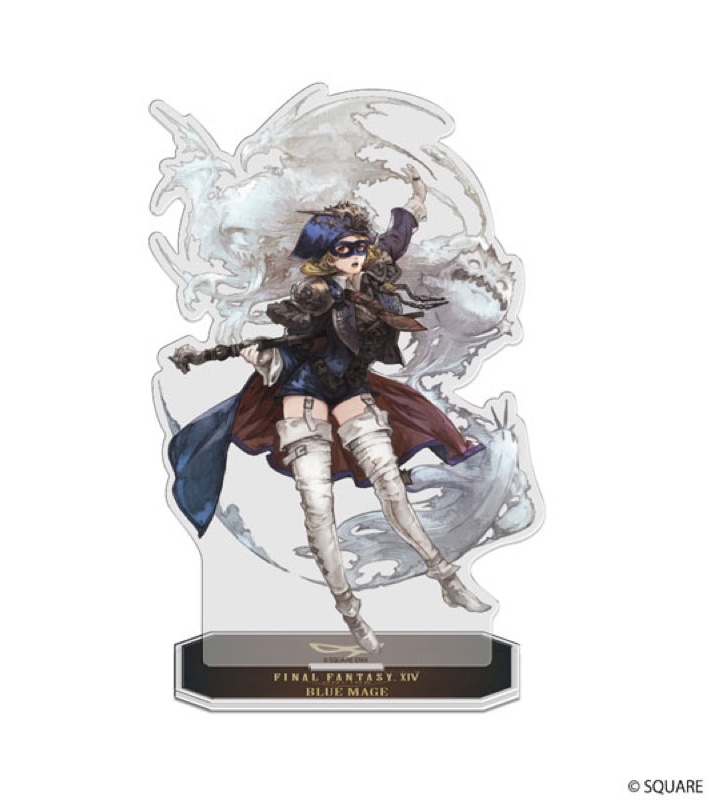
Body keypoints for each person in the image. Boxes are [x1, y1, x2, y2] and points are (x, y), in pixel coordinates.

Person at [169, 166, 489, 653]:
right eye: (344, 250)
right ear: (326, 257)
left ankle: (446, 577)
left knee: (390, 486)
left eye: (359, 246)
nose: (355, 255)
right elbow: (293, 334)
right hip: (304, 389)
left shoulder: (374, 271)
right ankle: (351, 614)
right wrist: (258, 355)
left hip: (351, 388)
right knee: (318, 508)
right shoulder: (314, 294)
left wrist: (417, 196)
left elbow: (399, 234)